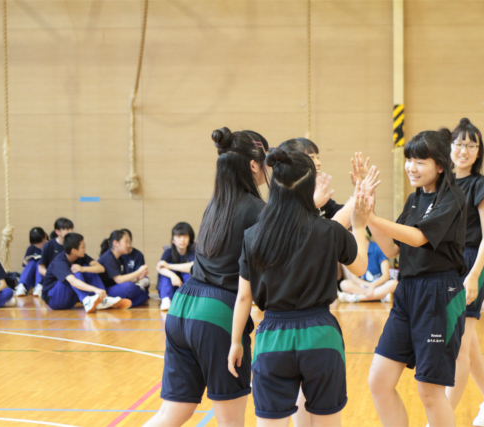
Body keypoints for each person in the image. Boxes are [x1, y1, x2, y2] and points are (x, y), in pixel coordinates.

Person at [228, 148, 373, 427]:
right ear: (310, 188)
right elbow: (361, 268)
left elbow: (244, 296)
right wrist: (358, 227)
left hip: (272, 337)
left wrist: (236, 342)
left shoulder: (253, 235)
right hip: (321, 335)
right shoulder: (330, 230)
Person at [143, 127, 269, 427]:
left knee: (172, 413)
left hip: (182, 307)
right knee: (230, 421)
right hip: (218, 315)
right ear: (254, 165)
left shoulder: (214, 205)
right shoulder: (258, 210)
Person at [366, 129, 467, 427]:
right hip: (407, 293)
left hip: (439, 295)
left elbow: (419, 237)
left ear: (440, 166)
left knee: (430, 392)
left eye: (420, 161)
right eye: (409, 159)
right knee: (379, 381)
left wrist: (372, 218)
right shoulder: (414, 199)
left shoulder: (453, 198)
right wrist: (368, 211)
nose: (411, 167)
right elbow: (392, 248)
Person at [445, 118, 484, 426]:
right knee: (469, 343)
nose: (464, 150)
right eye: (459, 144)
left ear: (478, 152)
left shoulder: (481, 185)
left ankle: (441, 418)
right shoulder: (443, 183)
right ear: (449, 148)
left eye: (471, 145)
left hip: (472, 265)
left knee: (459, 347)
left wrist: (473, 274)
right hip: (449, 265)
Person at [40, 233, 131, 312]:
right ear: (74, 251)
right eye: (82, 247)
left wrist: (83, 269)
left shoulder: (80, 256)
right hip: (54, 299)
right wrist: (95, 289)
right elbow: (73, 282)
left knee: (88, 268)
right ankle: (87, 300)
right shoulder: (59, 262)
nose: (85, 248)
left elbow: (101, 268)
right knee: (75, 271)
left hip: (70, 300)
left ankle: (103, 299)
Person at [338, 227, 398, 303]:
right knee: (344, 284)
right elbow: (354, 278)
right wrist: (369, 286)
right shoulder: (354, 252)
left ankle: (356, 298)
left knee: (394, 284)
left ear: (364, 232)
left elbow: (385, 275)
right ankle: (381, 296)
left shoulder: (378, 248)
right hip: (365, 285)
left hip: (379, 284)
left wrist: (373, 286)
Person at [98, 230, 149, 307]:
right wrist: (139, 271)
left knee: (143, 295)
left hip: (116, 288)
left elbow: (124, 280)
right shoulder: (108, 257)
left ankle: (116, 304)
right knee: (129, 287)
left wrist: (138, 278)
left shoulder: (120, 258)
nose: (129, 245)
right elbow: (119, 280)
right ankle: (110, 302)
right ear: (116, 243)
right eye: (126, 242)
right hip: (105, 291)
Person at [156, 222, 196, 311]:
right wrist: (172, 275)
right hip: (171, 287)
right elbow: (159, 267)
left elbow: (193, 266)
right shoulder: (168, 252)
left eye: (185, 236)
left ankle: (188, 299)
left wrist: (169, 266)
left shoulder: (194, 251)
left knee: (188, 270)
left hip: (185, 288)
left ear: (189, 238)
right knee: (166, 270)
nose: (182, 240)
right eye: (178, 236)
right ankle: (166, 300)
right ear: (173, 240)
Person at [34, 218, 74, 297]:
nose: (71, 232)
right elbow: (41, 268)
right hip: (53, 280)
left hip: (68, 278)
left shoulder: (73, 246)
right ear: (57, 231)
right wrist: (54, 275)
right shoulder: (49, 245)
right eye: (67, 229)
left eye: (71, 229)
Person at [16, 227, 48, 296]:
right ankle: (22, 285)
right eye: (35, 244)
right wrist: (26, 262)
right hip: (33, 276)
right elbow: (26, 266)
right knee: (32, 262)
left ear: (45, 237)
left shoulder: (51, 246)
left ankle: (40, 286)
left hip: (45, 275)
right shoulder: (31, 248)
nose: (38, 245)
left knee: (39, 262)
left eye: (40, 242)